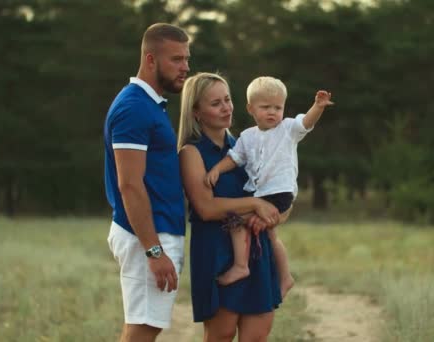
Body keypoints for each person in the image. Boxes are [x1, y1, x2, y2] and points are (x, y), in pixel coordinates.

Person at [204, 76, 333, 296]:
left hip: (279, 192)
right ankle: (285, 277)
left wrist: (317, 107)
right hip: (260, 193)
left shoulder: (287, 129)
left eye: (278, 107)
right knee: (271, 236)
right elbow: (235, 158)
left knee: (234, 221)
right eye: (266, 107)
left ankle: (241, 266)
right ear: (250, 108)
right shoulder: (247, 136)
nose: (273, 112)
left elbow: (306, 122)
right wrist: (216, 169)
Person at [178, 72, 283, 341]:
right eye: (216, 103)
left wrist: (271, 215)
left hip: (256, 251)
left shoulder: (247, 145)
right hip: (217, 253)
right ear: (197, 112)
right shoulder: (191, 153)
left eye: (227, 99)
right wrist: (255, 204)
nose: (226, 107)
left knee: (257, 336)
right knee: (221, 334)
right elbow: (206, 208)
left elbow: (278, 193)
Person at [103, 23, 190, 342]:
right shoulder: (133, 108)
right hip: (147, 237)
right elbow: (129, 185)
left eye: (186, 59)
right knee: (142, 330)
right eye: (177, 60)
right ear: (151, 59)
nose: (185, 68)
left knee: (143, 328)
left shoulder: (149, 105)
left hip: (156, 232)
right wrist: (154, 251)